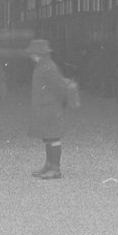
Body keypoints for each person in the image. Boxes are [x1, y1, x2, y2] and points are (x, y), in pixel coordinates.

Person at [25, 38, 79, 179]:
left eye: (33, 53)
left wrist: (58, 104)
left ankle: (55, 169)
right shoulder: (43, 65)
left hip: (50, 107)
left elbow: (60, 87)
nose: (32, 56)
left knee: (54, 137)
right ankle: (49, 165)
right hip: (45, 107)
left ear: (39, 53)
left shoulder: (47, 67)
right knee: (48, 136)